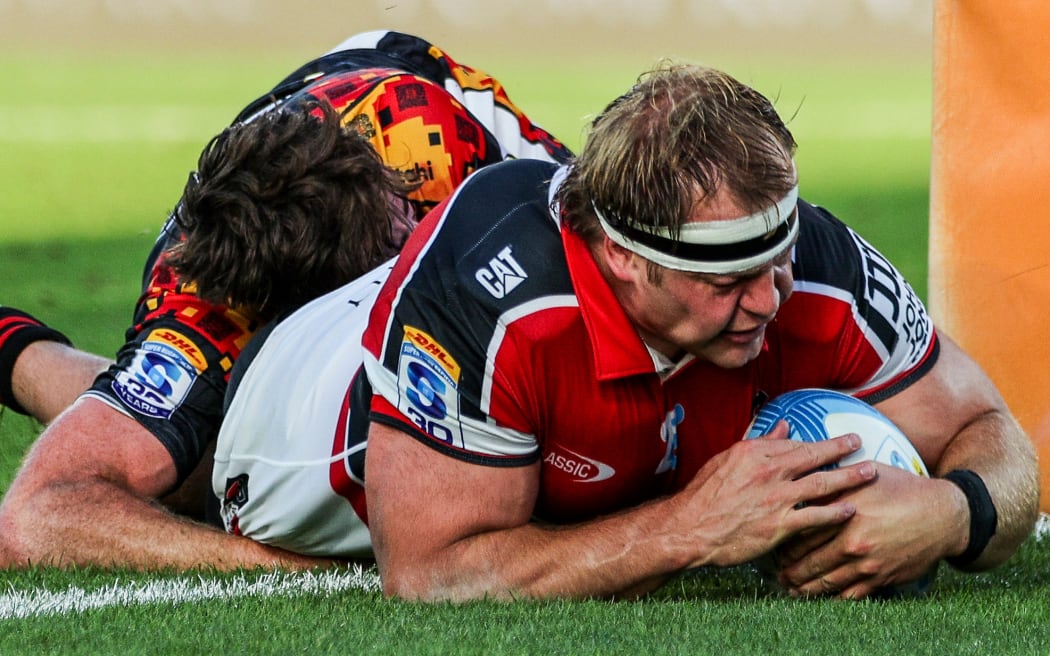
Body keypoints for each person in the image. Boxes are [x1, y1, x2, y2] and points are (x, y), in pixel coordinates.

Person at [356, 63, 1039, 601]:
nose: (770, 299)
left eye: (779, 257)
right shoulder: (490, 294)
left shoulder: (821, 274)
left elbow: (990, 433)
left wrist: (954, 511)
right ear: (622, 256)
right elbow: (428, 574)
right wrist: (691, 527)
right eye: (727, 282)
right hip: (311, 414)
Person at [0, 30, 570, 570]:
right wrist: (275, 567)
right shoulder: (200, 306)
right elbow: (36, 515)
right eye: (396, 245)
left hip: (413, 91)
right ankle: (15, 349)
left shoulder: (439, 152)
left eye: (407, 220)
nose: (410, 233)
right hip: (260, 262)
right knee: (200, 466)